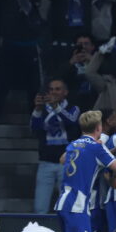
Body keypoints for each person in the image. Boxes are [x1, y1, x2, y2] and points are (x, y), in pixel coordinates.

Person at [31, 78, 81, 214]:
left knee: (66, 206)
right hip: (45, 162)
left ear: (65, 92)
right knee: (40, 207)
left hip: (67, 163)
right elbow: (34, 129)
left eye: (57, 89)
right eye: (51, 89)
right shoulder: (43, 109)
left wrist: (56, 107)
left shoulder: (73, 108)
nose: (53, 92)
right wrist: (37, 109)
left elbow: (71, 121)